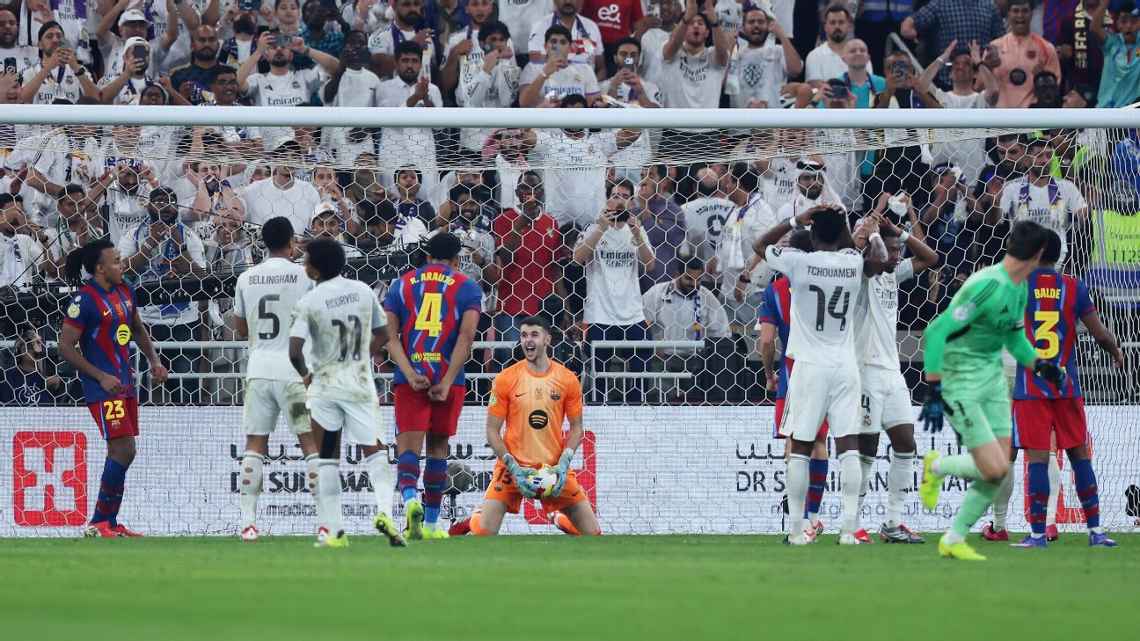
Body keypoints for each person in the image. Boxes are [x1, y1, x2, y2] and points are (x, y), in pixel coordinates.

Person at [917, 220, 1065, 561]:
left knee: (999, 471)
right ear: (1040, 254)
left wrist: (1039, 365)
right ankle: (937, 466)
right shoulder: (986, 285)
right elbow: (937, 331)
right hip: (961, 381)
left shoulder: (1020, 288)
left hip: (994, 381)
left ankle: (953, 539)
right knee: (995, 468)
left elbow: (1014, 337)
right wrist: (934, 389)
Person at [753, 206, 875, 545]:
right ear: (841, 234)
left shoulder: (799, 262)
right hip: (845, 364)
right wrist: (843, 223)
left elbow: (759, 245)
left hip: (809, 366)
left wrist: (796, 219)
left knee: (801, 446)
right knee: (848, 446)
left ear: (812, 232)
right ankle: (848, 530)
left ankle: (797, 530)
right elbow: (852, 246)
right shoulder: (854, 262)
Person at [997, 231, 1124, 548]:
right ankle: (1096, 531)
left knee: (1038, 460)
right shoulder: (1073, 286)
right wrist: (1116, 351)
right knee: (1080, 456)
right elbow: (1099, 333)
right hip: (1067, 386)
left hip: (1031, 388)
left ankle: (1038, 534)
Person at [287, 238, 406, 549]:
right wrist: (362, 355)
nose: (304, 264)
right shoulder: (363, 291)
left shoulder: (310, 301)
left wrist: (306, 375)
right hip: (358, 383)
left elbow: (295, 350)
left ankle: (335, 531)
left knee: (327, 457)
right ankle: (384, 513)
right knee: (376, 451)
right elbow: (383, 333)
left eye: (307, 260)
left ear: (316, 267)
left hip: (325, 385)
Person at [58, 238, 169, 537]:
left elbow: (136, 327)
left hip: (124, 385)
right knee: (123, 449)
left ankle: (110, 521)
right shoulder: (84, 301)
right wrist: (100, 376)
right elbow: (65, 347)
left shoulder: (124, 291)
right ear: (100, 268)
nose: (122, 265)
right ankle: (98, 521)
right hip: (103, 388)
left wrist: (154, 360)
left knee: (125, 451)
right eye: (117, 261)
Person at [382, 233, 482, 540]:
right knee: (438, 448)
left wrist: (411, 374)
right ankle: (430, 523)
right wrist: (448, 379)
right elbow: (466, 338)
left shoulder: (401, 284)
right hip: (447, 379)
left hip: (411, 378)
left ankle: (411, 500)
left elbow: (389, 337)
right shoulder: (467, 286)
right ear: (456, 260)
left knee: (407, 448)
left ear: (426, 257)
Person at [850, 213, 940, 544]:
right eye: (891, 251)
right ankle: (853, 522)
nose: (897, 257)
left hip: (892, 371)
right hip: (865, 370)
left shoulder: (892, 275)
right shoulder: (863, 273)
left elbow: (931, 258)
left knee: (906, 444)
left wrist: (899, 233)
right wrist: (873, 235)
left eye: (897, 252)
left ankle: (892, 522)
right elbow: (870, 258)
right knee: (867, 449)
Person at [466, 315, 600, 536]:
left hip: (553, 468)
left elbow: (577, 428)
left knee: (593, 535)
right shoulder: (505, 379)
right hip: (513, 469)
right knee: (483, 533)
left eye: (534, 335)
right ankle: (475, 517)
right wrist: (511, 464)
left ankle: (558, 517)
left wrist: (564, 462)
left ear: (547, 339)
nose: (528, 340)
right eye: (524, 335)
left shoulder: (567, 379)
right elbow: (492, 430)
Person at [231, 217, 321, 542]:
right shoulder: (305, 276)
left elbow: (240, 329)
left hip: (259, 370)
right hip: (295, 372)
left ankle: (248, 523)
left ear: (263, 243)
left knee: (255, 444)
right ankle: (324, 524)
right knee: (309, 443)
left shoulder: (246, 278)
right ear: (292, 242)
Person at [756, 229, 832, 539]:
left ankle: (798, 517)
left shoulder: (776, 289)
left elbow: (766, 340)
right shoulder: (829, 283)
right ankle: (813, 517)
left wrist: (768, 374)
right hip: (828, 369)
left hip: (793, 372)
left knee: (793, 443)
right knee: (820, 443)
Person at [573, 179, 656, 402]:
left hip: (632, 313)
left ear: (631, 202)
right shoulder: (592, 228)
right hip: (599, 314)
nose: (618, 200)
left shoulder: (636, 229)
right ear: (607, 199)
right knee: (598, 376)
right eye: (615, 195)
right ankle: (599, 412)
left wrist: (637, 234)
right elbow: (578, 259)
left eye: (624, 196)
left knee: (643, 358)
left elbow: (650, 265)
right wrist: (601, 228)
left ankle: (636, 408)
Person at [642, 257, 730, 401]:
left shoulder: (707, 297)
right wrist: (652, 345)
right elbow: (642, 323)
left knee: (694, 402)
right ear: (677, 275)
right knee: (662, 401)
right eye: (689, 279)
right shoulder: (658, 292)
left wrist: (710, 353)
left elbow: (722, 332)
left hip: (696, 360)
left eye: (699, 280)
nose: (694, 284)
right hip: (664, 358)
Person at [238, 29, 339, 151]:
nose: (279, 49)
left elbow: (336, 68)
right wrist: (258, 52)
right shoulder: (257, 80)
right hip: (270, 153)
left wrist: (305, 49)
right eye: (273, 47)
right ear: (266, 55)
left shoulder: (304, 77)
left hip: (302, 152)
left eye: (283, 47)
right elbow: (237, 83)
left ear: (291, 54)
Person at [999, 136, 1088, 268]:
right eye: (1039, 155)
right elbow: (995, 222)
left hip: (1057, 261)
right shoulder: (1011, 187)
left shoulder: (1066, 187)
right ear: (1027, 159)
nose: (1045, 160)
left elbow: (1083, 215)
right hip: (1022, 260)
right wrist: (995, 202)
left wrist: (1089, 206)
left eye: (1049, 155)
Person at [989, 0, 1062, 109]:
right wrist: (987, 67)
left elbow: (1054, 89)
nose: (1020, 15)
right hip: (1001, 117)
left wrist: (1042, 77)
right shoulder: (994, 48)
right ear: (1008, 14)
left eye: (1025, 11)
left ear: (1032, 13)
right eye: (1015, 11)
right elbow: (980, 87)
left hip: (1032, 117)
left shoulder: (1046, 48)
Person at [728, 5, 801, 109]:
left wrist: (782, 36)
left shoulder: (778, 51)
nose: (756, 25)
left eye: (761, 22)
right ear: (743, 28)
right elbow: (723, 85)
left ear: (768, 26)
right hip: (741, 121)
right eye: (751, 22)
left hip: (772, 121)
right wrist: (730, 48)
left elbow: (796, 70)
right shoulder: (735, 54)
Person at [519, 25, 599, 107]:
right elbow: (524, 103)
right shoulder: (532, 68)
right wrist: (544, 73)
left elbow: (593, 106)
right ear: (545, 47)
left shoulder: (585, 69)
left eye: (563, 42)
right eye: (553, 42)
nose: (558, 47)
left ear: (570, 48)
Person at [527, 0, 605, 77]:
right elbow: (535, 68)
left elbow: (601, 69)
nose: (568, 1)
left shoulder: (591, 27)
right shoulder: (540, 26)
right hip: (551, 87)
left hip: (587, 87)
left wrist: (593, 86)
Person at [1088, 0, 1140, 108]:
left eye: (1134, 21)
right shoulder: (1111, 42)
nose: (1129, 26)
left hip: (1132, 113)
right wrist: (1105, 3)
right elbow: (1094, 28)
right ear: (1117, 24)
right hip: (1106, 111)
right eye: (1124, 21)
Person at [0, 327, 66, 405]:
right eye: (30, 345)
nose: (38, 347)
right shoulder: (9, 377)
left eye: (40, 342)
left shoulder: (48, 378)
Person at [804, 4, 866, 82]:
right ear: (825, 27)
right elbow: (815, 88)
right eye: (833, 23)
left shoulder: (861, 54)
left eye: (841, 22)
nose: (837, 26)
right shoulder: (814, 56)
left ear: (849, 26)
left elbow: (868, 86)